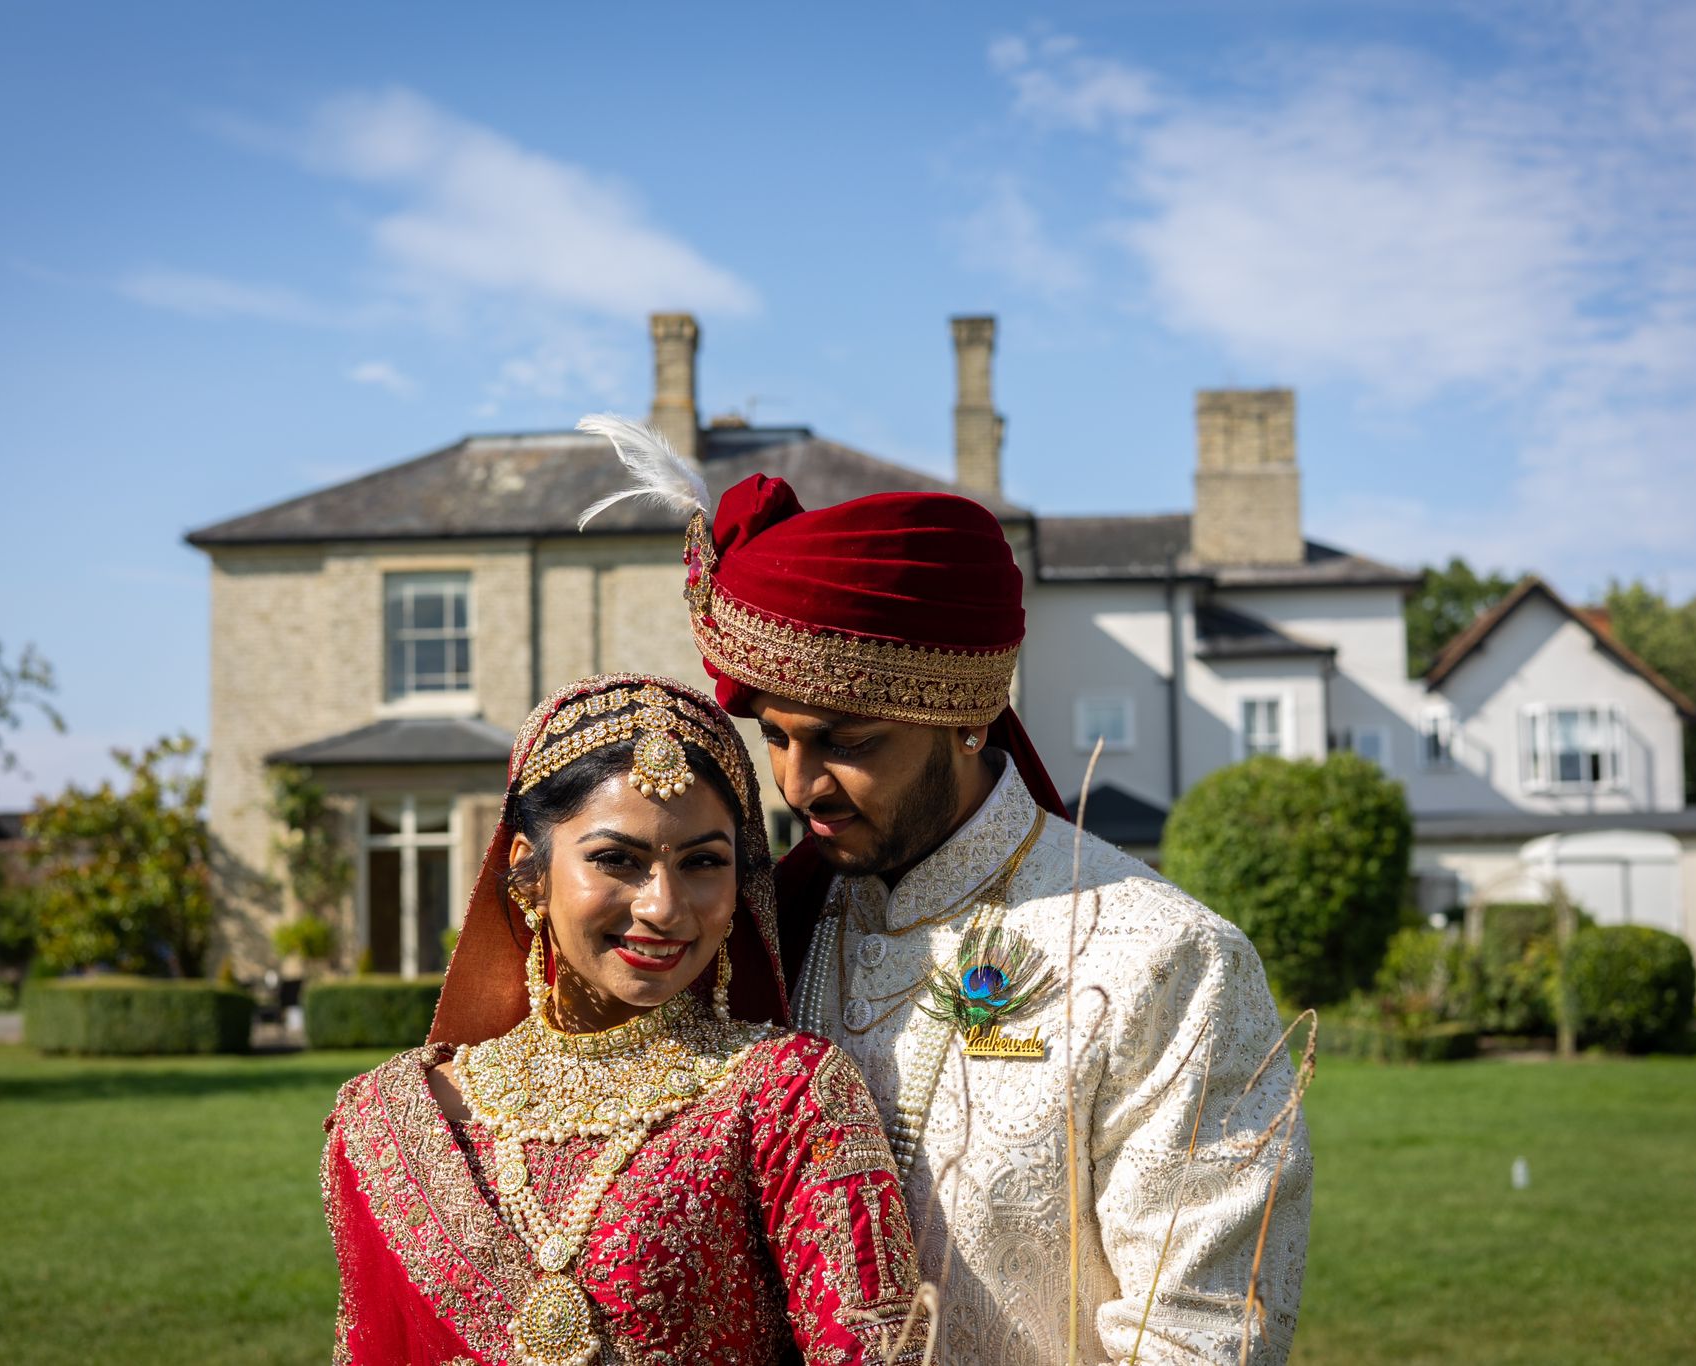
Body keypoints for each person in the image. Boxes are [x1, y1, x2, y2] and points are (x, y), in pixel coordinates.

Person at [578, 419, 1312, 1366]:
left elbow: (1202, 1334)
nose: (799, 789)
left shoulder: (1164, 959)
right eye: (778, 738)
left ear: (966, 717)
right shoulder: (768, 927)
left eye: (849, 742)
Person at [320, 674, 923, 1366]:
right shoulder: (386, 1120)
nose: (664, 907)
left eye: (702, 862)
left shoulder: (789, 1097)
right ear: (529, 871)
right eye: (617, 861)